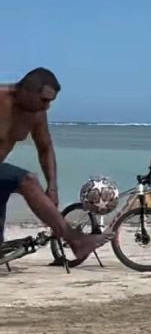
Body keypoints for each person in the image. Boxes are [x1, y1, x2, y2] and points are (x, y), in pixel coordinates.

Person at [1, 68, 110, 258]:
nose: (47, 107)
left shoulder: (36, 114)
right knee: (27, 180)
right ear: (27, 90)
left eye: (50, 102)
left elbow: (45, 148)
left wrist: (52, 187)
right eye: (44, 100)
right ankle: (75, 241)